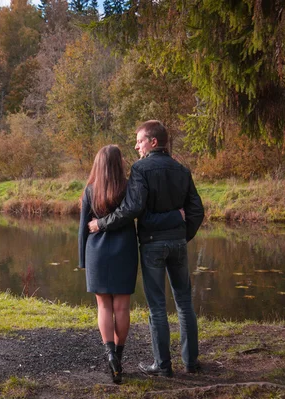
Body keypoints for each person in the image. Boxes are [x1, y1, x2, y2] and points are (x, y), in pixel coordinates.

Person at [88, 121, 205, 377]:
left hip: (152, 244)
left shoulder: (140, 169)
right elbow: (196, 210)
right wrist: (181, 234)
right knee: (185, 303)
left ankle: (163, 366)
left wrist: (101, 223)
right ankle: (191, 363)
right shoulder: (182, 170)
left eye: (139, 140)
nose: (136, 145)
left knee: (157, 306)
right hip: (176, 243)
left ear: (153, 142)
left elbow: (132, 209)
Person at [79, 144, 184, 384]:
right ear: (119, 164)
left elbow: (82, 228)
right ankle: (119, 355)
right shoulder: (129, 188)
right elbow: (140, 214)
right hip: (124, 251)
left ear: (98, 164)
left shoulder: (90, 191)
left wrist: (82, 260)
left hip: (96, 251)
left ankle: (109, 356)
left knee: (103, 307)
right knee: (122, 307)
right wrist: (176, 215)